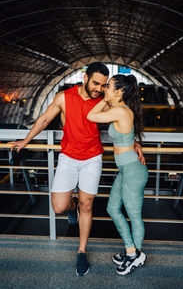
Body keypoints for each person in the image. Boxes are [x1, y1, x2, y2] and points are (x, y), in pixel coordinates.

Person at [9, 62, 145, 277]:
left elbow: (124, 119)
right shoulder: (64, 97)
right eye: (96, 83)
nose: (99, 89)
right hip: (68, 157)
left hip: (93, 158)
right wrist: (25, 141)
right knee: (59, 207)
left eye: (103, 85)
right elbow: (44, 119)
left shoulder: (103, 100)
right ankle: (71, 209)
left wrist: (134, 143)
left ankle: (81, 251)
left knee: (87, 205)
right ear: (86, 78)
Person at [87, 74, 148, 276]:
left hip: (133, 171)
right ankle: (132, 250)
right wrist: (107, 99)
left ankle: (134, 254)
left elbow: (91, 116)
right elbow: (125, 135)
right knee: (112, 208)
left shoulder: (121, 111)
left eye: (109, 86)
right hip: (126, 169)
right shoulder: (118, 109)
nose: (105, 88)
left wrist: (105, 99)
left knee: (134, 215)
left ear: (119, 92)